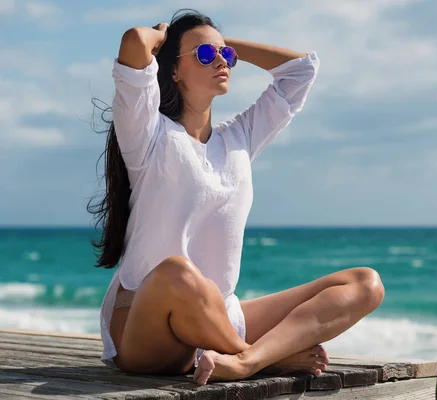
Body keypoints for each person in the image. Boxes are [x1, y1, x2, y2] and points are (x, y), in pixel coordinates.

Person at [89, 9, 385, 386]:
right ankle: (260, 360)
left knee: (365, 283)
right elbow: (134, 40)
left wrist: (223, 45)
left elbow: (300, 71)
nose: (221, 61)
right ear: (173, 71)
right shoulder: (148, 135)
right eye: (205, 56)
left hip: (218, 318)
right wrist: (162, 36)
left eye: (225, 56)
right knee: (177, 271)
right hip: (147, 326)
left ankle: (246, 359)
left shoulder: (239, 138)